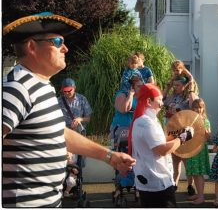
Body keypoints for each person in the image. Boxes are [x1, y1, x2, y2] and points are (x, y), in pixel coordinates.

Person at [2, 12, 136, 207]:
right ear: (31, 46)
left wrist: (109, 156)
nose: (65, 48)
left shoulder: (42, 86)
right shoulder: (17, 88)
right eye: (57, 42)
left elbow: (59, 134)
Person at [129, 83, 194, 207]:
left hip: (154, 182)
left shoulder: (149, 120)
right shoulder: (146, 123)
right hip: (156, 183)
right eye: (159, 100)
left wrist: (179, 133)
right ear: (149, 101)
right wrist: (183, 137)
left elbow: (160, 140)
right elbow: (162, 150)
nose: (162, 103)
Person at [163, 75, 197, 195]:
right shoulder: (172, 96)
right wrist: (167, 88)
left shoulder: (188, 97)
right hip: (171, 131)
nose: (175, 87)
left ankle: (190, 185)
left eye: (178, 85)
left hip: (183, 132)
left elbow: (194, 105)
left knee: (186, 160)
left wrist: (191, 87)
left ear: (184, 85)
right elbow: (162, 101)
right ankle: (175, 184)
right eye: (174, 85)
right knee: (175, 160)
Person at [110, 75, 143, 199]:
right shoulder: (121, 94)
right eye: (138, 86)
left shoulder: (141, 97)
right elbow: (124, 109)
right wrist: (130, 95)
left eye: (142, 85)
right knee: (119, 158)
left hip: (135, 130)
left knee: (136, 158)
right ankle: (118, 188)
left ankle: (138, 187)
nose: (141, 88)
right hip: (120, 130)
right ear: (132, 86)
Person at [186, 98, 211, 205]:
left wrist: (204, 129)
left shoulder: (205, 120)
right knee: (195, 173)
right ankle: (198, 193)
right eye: (196, 107)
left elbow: (208, 136)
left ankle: (201, 196)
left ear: (203, 108)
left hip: (199, 149)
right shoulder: (190, 120)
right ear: (192, 109)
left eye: (200, 107)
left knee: (199, 173)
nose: (198, 109)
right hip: (192, 148)